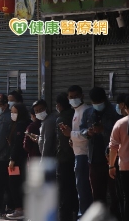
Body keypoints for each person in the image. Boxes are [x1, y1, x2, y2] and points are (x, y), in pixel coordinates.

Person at [80, 87, 119, 204]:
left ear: (104, 99)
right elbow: (82, 128)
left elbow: (119, 132)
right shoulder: (88, 112)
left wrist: (103, 130)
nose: (97, 105)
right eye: (94, 103)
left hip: (112, 159)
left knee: (115, 194)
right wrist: (88, 132)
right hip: (94, 159)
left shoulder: (114, 111)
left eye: (99, 102)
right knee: (97, 194)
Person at [60, 85, 92, 218]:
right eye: (71, 97)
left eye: (76, 96)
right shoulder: (76, 111)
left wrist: (70, 134)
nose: (73, 99)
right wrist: (71, 139)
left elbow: (87, 134)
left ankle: (84, 215)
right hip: (77, 153)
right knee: (80, 189)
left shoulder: (85, 111)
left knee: (83, 189)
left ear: (82, 96)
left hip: (84, 155)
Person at [109, 94, 129, 221]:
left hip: (125, 168)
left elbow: (113, 148)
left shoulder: (120, 123)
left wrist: (111, 166)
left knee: (128, 198)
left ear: (126, 107)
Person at [55, 92, 78, 221]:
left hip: (65, 159)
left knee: (64, 192)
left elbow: (62, 142)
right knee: (73, 189)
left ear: (59, 105)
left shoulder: (61, 118)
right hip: (76, 156)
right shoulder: (74, 114)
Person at [6, 103, 31, 220]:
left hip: (17, 161)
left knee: (14, 183)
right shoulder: (16, 124)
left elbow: (17, 144)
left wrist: (12, 159)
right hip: (19, 159)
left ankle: (19, 209)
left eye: (15, 112)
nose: (12, 114)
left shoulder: (21, 124)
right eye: (11, 112)